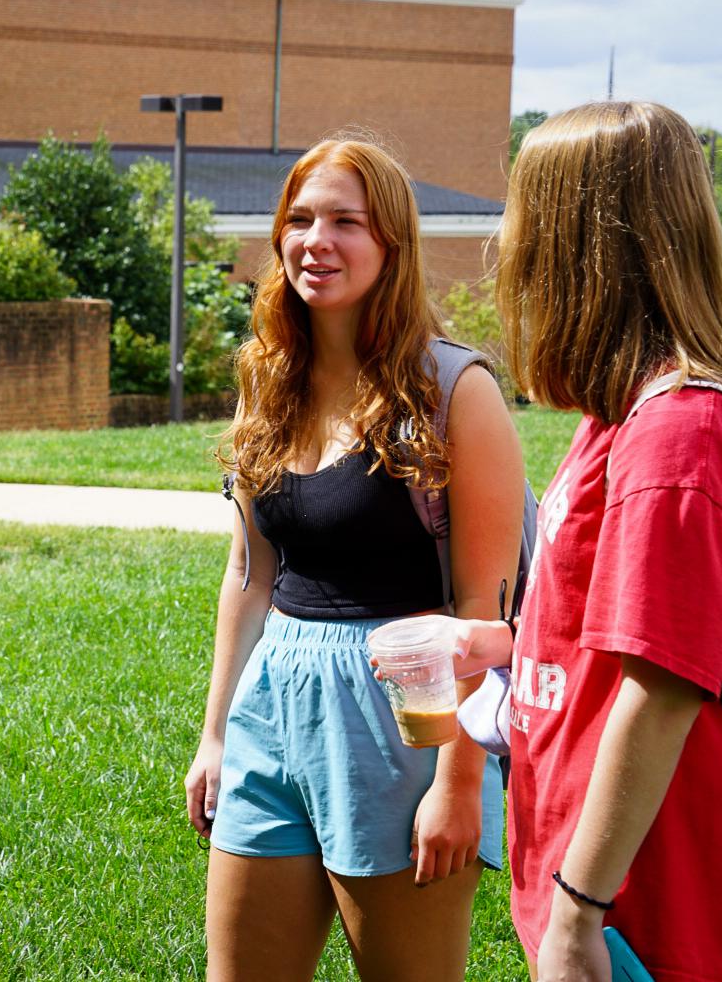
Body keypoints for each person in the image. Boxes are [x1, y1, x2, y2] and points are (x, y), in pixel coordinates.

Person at [453, 100, 722, 981]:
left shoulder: (681, 431)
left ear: (575, 244)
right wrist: (513, 643)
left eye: (524, 214)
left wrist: (577, 911)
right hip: (606, 887)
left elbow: (663, 689)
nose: (511, 243)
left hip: (650, 907)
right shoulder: (623, 413)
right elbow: (623, 629)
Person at [183, 137, 524, 981]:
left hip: (405, 716)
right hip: (274, 706)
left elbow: (486, 607)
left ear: (392, 245)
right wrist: (217, 733)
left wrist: (456, 782)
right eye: (299, 219)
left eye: (345, 221)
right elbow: (249, 576)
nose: (314, 241)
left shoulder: (456, 390)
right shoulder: (268, 381)